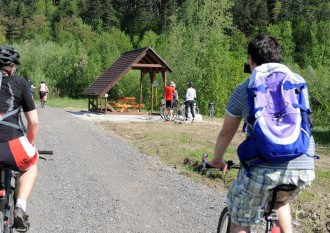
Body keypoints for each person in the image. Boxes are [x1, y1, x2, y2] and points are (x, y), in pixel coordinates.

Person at [208, 35, 315, 233]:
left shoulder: (244, 89)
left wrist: (217, 159)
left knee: (240, 215)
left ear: (251, 60)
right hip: (303, 164)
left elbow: (225, 134)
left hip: (262, 165)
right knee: (280, 201)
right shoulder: (298, 82)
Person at [0, 45, 39, 231]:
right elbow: (34, 123)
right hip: (13, 145)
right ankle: (19, 207)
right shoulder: (21, 83)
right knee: (31, 163)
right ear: (12, 67)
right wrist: (30, 143)